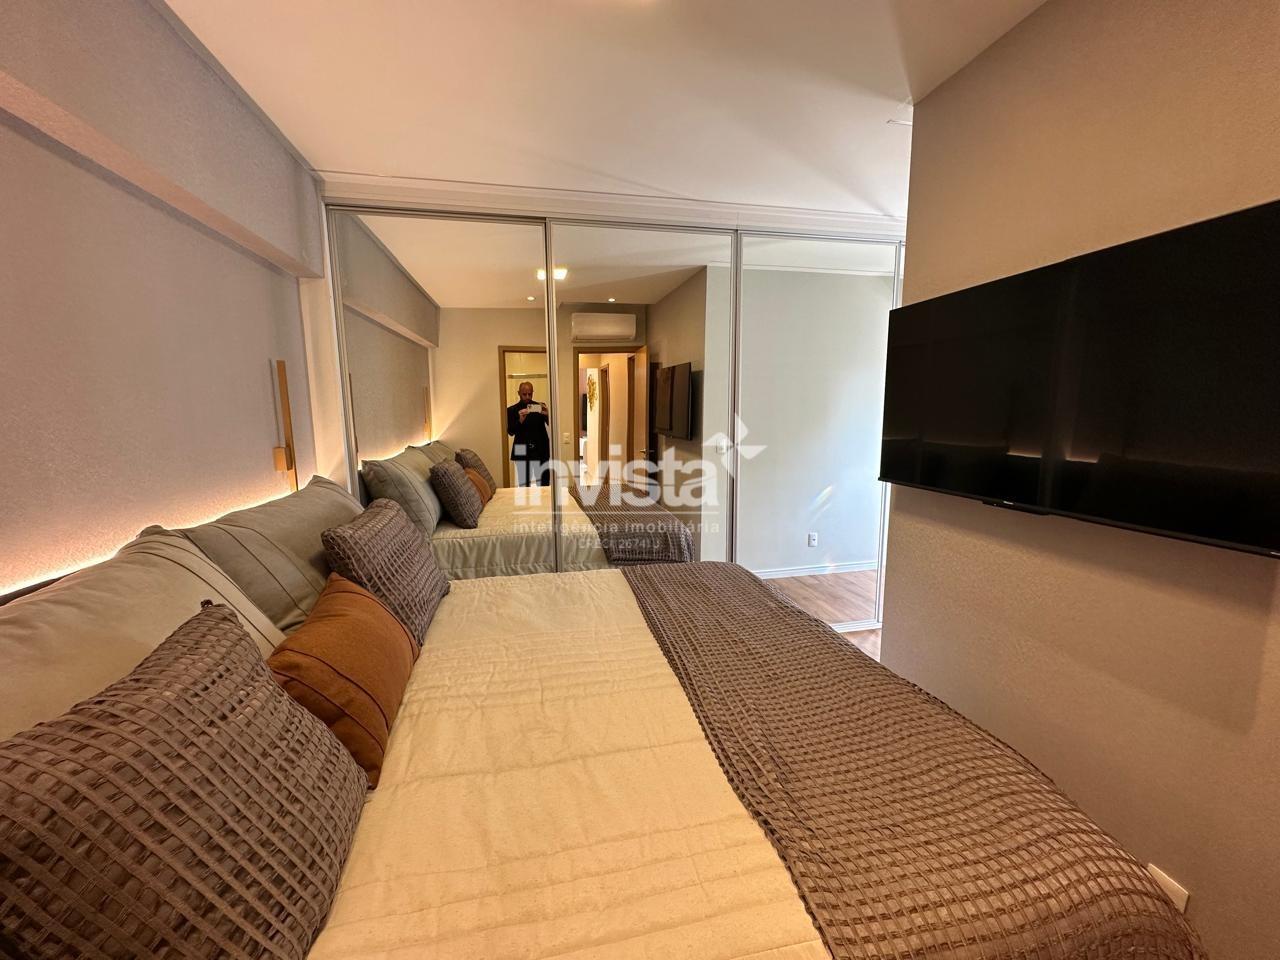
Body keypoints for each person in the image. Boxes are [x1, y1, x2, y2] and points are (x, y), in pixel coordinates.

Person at [506, 381, 551, 486]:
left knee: (544, 483)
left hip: (541, 449)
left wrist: (548, 414)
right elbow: (510, 432)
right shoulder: (511, 410)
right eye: (524, 394)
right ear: (519, 393)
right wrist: (520, 420)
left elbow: (553, 426)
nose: (527, 397)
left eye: (530, 394)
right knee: (524, 484)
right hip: (521, 449)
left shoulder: (540, 407)